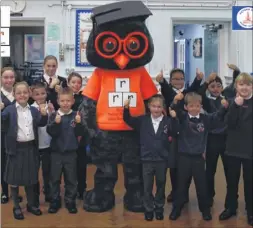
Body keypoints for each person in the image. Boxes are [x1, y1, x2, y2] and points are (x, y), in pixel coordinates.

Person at [169, 92, 227, 221]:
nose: (194, 108)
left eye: (197, 106)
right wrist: (175, 100)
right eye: (191, 106)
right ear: (186, 107)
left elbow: (217, 116)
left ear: (201, 106)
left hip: (198, 158)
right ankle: (177, 208)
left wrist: (224, 107)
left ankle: (205, 210)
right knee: (181, 185)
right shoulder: (183, 117)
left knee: (201, 185)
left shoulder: (205, 119)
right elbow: (174, 109)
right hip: (183, 157)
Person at [123, 94, 179, 221]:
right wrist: (126, 109)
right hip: (147, 159)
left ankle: (159, 208)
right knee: (147, 186)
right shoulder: (142, 120)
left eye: (159, 107)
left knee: (161, 185)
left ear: (163, 108)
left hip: (161, 160)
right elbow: (128, 120)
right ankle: (148, 209)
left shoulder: (168, 121)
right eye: (154, 106)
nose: (156, 109)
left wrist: (175, 118)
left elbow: (176, 131)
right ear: (149, 107)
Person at [1, 81, 48, 220]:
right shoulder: (8, 110)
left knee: (31, 179)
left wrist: (44, 114)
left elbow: (41, 123)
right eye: (19, 92)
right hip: (15, 149)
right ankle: (16, 207)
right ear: (14, 94)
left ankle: (31, 205)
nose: (22, 95)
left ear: (30, 94)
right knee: (14, 180)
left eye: (25, 92)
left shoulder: (34, 110)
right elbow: (2, 126)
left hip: (30, 149)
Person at [156, 68, 203, 203]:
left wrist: (199, 79)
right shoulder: (168, 92)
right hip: (173, 133)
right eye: (175, 79)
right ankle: (175, 190)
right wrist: (162, 81)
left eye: (181, 78)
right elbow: (165, 89)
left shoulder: (187, 93)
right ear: (171, 80)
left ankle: (183, 192)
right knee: (174, 164)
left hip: (187, 133)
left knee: (185, 164)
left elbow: (194, 87)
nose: (178, 81)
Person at [219, 73, 252, 226]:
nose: (244, 87)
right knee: (231, 182)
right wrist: (235, 106)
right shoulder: (231, 103)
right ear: (236, 87)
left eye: (248, 84)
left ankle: (251, 211)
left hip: (250, 150)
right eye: (241, 84)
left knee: (250, 182)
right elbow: (229, 124)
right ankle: (230, 207)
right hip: (232, 149)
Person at [47, 87, 86, 214]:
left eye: (68, 101)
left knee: (71, 179)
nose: (65, 103)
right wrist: (56, 124)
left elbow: (80, 133)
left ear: (73, 101)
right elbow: (51, 132)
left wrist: (79, 124)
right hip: (56, 153)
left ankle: (70, 201)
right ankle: (55, 201)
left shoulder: (76, 116)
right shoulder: (54, 115)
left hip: (71, 153)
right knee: (54, 179)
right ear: (58, 101)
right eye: (62, 101)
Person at [198, 72, 228, 206]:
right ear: (209, 88)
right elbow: (199, 92)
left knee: (229, 170)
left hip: (226, 139)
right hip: (211, 139)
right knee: (210, 170)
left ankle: (231, 198)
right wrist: (205, 82)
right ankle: (209, 195)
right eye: (212, 86)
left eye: (218, 86)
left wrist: (237, 72)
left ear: (222, 87)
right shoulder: (206, 100)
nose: (216, 89)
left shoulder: (227, 99)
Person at [1, 67, 23, 204]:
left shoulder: (19, 95)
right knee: (3, 163)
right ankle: (4, 192)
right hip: (2, 135)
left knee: (15, 163)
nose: (9, 80)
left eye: (11, 77)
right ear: (1, 79)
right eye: (6, 77)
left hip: (16, 136)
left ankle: (16, 192)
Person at [31, 82, 55, 205]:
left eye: (43, 93)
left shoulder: (50, 107)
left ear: (46, 93)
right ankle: (35, 196)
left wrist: (53, 111)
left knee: (47, 171)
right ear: (32, 95)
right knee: (34, 172)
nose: (40, 96)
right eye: (37, 94)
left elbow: (54, 125)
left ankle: (49, 193)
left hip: (48, 145)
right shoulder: (30, 109)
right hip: (35, 146)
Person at [67, 72, 87, 199]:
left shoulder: (84, 97)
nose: (76, 85)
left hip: (81, 137)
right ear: (68, 83)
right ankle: (70, 189)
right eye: (73, 82)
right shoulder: (64, 98)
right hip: (67, 137)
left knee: (81, 164)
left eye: (79, 82)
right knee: (69, 166)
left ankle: (81, 189)